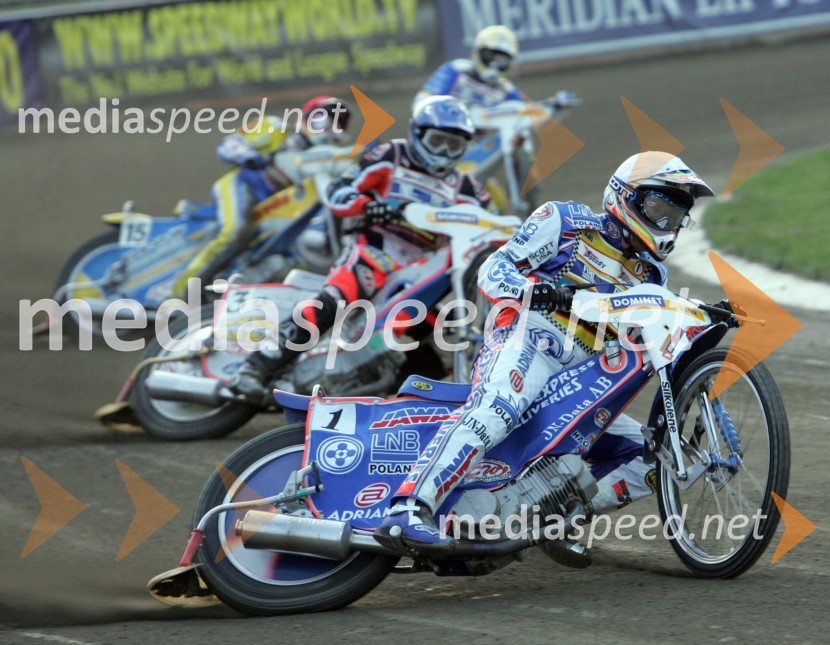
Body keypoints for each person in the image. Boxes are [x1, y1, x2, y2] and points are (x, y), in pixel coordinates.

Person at [374, 151, 716, 554]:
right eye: (659, 209)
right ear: (627, 197)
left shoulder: (653, 275)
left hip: (580, 378)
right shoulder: (565, 221)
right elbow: (494, 269)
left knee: (653, 455)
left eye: (675, 218)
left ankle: (549, 516)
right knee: (497, 408)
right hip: (528, 341)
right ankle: (410, 507)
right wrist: (531, 290)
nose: (666, 225)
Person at [228, 95, 492, 404]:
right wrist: (371, 207)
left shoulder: (471, 190)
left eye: (453, 145)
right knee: (337, 299)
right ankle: (256, 366)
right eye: (438, 141)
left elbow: (488, 227)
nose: (444, 152)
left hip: (420, 271)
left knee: (429, 348)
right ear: (418, 134)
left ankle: (400, 409)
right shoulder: (391, 155)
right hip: (373, 250)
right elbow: (339, 191)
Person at [171, 96, 351, 297]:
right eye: (326, 117)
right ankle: (182, 290)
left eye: (338, 123)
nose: (330, 126)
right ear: (308, 116)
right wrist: (247, 155)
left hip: (276, 214)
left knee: (286, 263)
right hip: (242, 185)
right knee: (236, 232)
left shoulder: (327, 159)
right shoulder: (277, 128)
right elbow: (230, 143)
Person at [413, 25, 525, 110]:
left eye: (501, 61)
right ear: (478, 52)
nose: (493, 64)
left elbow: (529, 114)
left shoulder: (507, 89)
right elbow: (422, 101)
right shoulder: (456, 70)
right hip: (450, 135)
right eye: (490, 56)